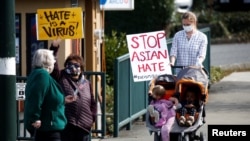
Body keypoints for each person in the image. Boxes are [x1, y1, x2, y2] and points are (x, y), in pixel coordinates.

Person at [50, 39, 97, 141]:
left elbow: (93, 103)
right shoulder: (61, 77)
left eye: (76, 65)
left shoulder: (87, 83)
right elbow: (54, 65)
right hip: (67, 125)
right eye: (70, 65)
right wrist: (54, 48)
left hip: (84, 127)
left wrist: (92, 117)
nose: (73, 68)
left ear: (81, 68)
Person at [24, 49, 75, 141]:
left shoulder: (40, 75)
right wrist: (35, 118)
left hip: (49, 126)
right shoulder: (42, 75)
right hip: (48, 128)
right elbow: (36, 99)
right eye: (53, 60)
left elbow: (47, 98)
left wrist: (63, 100)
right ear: (47, 62)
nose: (54, 63)